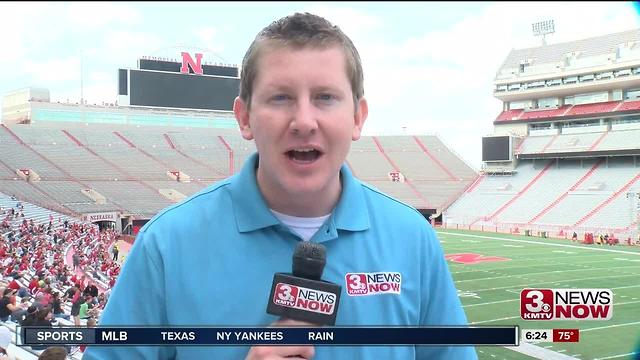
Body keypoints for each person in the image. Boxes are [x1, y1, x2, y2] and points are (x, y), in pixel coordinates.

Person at [84, 12, 475, 359]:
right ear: (245, 118)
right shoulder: (166, 245)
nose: (304, 120)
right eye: (281, 97)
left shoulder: (413, 240)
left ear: (358, 117)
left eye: (325, 97)